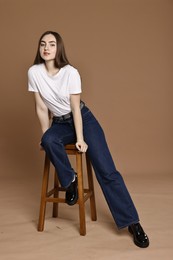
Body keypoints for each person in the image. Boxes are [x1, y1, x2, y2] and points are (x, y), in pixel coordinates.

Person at [28, 31, 149, 248]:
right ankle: (71, 181)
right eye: (43, 44)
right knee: (48, 140)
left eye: (52, 44)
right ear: (39, 48)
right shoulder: (34, 72)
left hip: (83, 119)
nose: (46, 48)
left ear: (59, 48)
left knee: (107, 170)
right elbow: (41, 107)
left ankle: (133, 222)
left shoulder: (71, 73)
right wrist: (46, 134)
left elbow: (75, 108)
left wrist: (81, 139)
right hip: (59, 124)